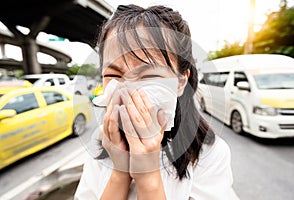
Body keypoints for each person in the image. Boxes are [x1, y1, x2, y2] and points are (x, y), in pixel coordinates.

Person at [75, 4, 237, 200]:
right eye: (113, 74)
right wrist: (120, 170)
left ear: (180, 81)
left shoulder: (209, 154)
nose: (128, 91)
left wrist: (147, 175)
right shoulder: (101, 142)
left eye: (148, 76)